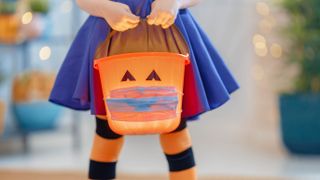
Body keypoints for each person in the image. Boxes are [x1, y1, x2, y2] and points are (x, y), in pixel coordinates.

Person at [49, 0, 240, 179]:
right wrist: (104, 8)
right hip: (110, 39)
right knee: (107, 132)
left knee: (173, 127)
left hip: (168, 41)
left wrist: (174, 2)